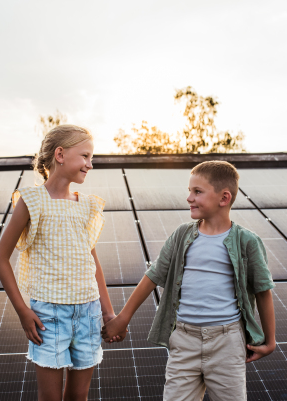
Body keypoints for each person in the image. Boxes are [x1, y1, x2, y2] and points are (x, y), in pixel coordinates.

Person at [102, 160, 276, 401]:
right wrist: (122, 318)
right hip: (183, 339)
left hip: (227, 342)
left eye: (197, 192)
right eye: (189, 191)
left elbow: (263, 290)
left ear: (223, 198)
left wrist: (270, 340)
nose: (189, 198)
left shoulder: (247, 241)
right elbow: (152, 277)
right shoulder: (182, 235)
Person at [0, 124, 126, 401]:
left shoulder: (87, 205)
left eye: (92, 158)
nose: (90, 164)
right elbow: (1, 258)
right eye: (86, 156)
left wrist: (108, 312)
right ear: (61, 154)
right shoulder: (32, 200)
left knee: (79, 396)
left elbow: (92, 262)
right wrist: (22, 310)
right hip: (49, 315)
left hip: (88, 312)